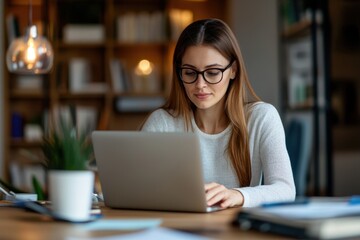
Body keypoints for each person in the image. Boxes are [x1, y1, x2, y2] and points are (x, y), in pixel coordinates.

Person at [141, 18, 295, 208]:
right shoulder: (162, 123)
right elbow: (137, 187)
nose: (200, 85)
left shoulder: (262, 118)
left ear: (233, 70)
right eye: (190, 73)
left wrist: (237, 195)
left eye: (212, 72)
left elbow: (285, 189)